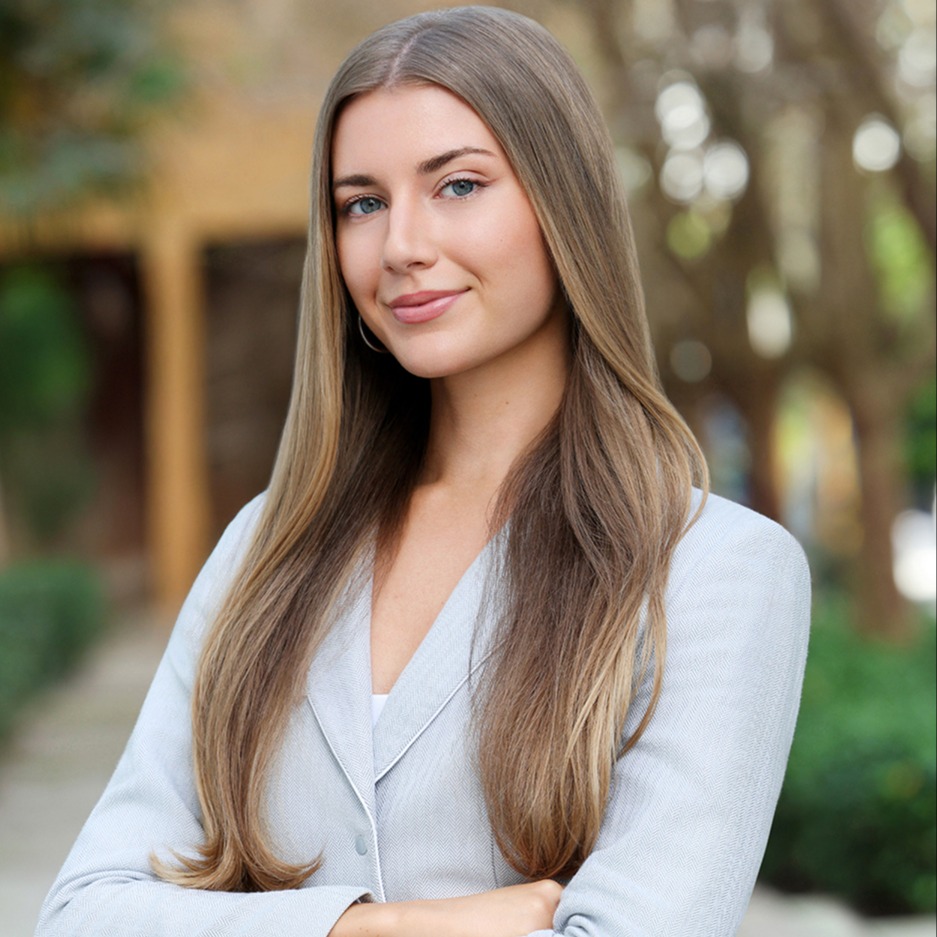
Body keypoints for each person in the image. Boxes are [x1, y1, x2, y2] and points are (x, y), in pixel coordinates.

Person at [36, 7, 810, 937]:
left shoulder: (714, 570)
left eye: (458, 185)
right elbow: (83, 911)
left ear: (563, 203)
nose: (400, 244)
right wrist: (383, 926)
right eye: (361, 203)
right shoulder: (264, 549)